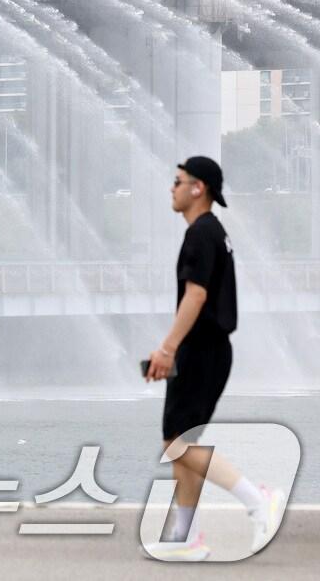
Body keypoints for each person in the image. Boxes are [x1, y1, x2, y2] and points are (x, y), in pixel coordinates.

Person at [143, 156, 284, 561]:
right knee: (181, 444)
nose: (171, 188)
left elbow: (197, 295)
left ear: (197, 188)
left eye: (178, 181)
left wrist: (167, 349)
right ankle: (187, 538)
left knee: (177, 444)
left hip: (201, 350)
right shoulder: (213, 232)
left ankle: (258, 500)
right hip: (208, 350)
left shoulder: (201, 234)